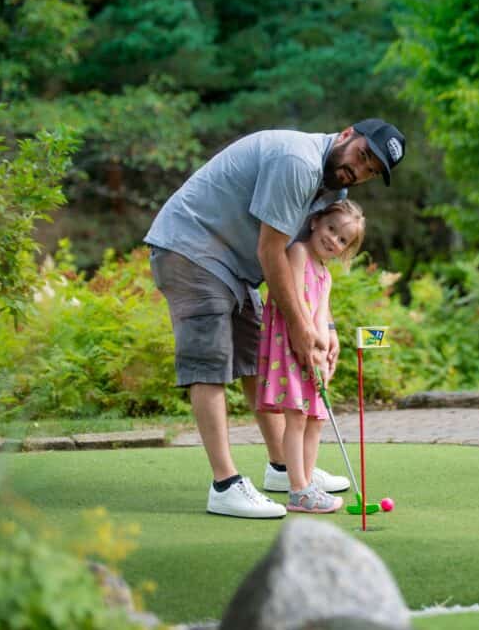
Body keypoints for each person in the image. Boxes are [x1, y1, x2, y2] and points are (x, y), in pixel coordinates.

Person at [145, 119, 406, 518]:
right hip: (192, 248)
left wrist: (326, 327)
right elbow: (272, 251)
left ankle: (286, 469)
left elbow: (306, 264)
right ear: (346, 134)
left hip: (234, 266)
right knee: (210, 364)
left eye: (371, 171)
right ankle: (225, 484)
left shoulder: (333, 188)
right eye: (363, 155)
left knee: (256, 358)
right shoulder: (297, 162)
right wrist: (301, 329)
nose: (361, 169)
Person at [256, 200, 365, 513]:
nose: (333, 240)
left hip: (309, 348)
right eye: (332, 229)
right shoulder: (298, 252)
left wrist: (324, 349)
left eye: (342, 240)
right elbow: (298, 304)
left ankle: (306, 484)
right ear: (316, 222)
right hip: (290, 344)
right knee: (298, 416)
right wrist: (312, 341)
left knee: (316, 419)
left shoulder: (326, 275)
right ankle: (298, 488)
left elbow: (319, 314)